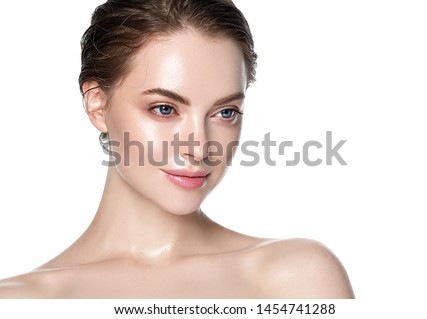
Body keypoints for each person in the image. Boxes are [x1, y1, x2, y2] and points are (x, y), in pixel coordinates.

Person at [0, 0, 354, 298]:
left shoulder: (298, 279)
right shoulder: (19, 302)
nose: (199, 148)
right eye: (165, 109)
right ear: (97, 105)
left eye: (225, 112)